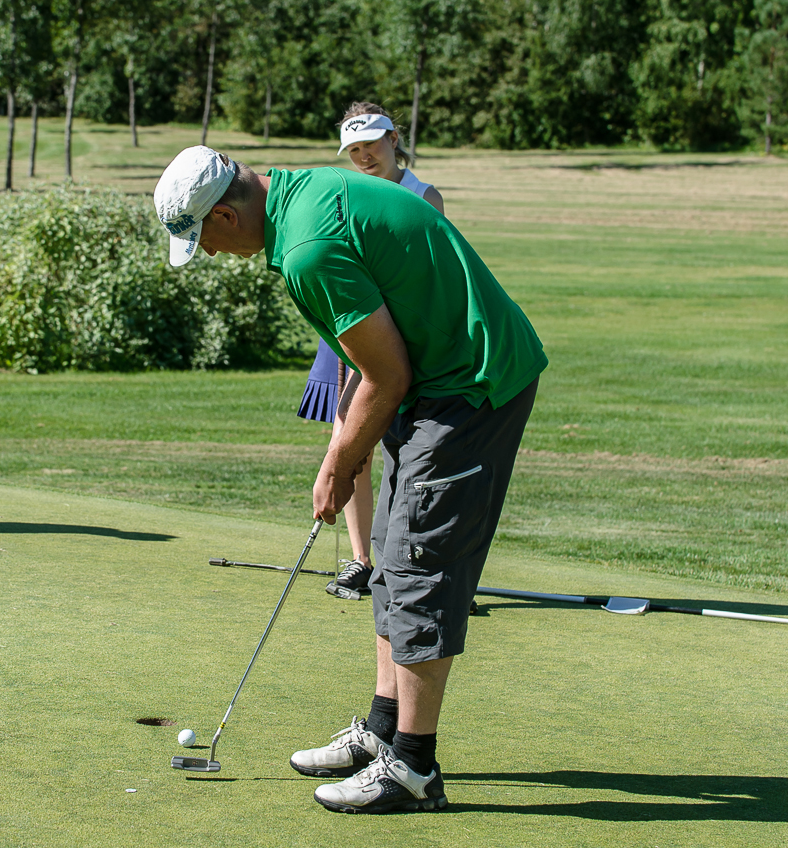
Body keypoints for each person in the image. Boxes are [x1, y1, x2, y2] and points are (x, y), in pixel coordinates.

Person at [154, 146, 546, 814]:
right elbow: (374, 364)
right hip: (434, 381)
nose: (212, 253)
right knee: (390, 560)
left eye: (204, 240)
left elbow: (387, 375)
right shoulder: (299, 192)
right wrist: (345, 443)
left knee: (419, 568)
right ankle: (385, 730)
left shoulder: (307, 248)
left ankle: (413, 768)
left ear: (225, 214)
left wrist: (338, 465)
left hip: (468, 386)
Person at [300, 102, 445, 599]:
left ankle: (416, 561)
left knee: (410, 447)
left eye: (371, 145)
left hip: (405, 333)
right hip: (352, 329)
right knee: (349, 441)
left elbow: (434, 269)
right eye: (354, 149)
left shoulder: (423, 195)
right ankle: (360, 560)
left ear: (393, 139)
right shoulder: (347, 192)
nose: (364, 156)